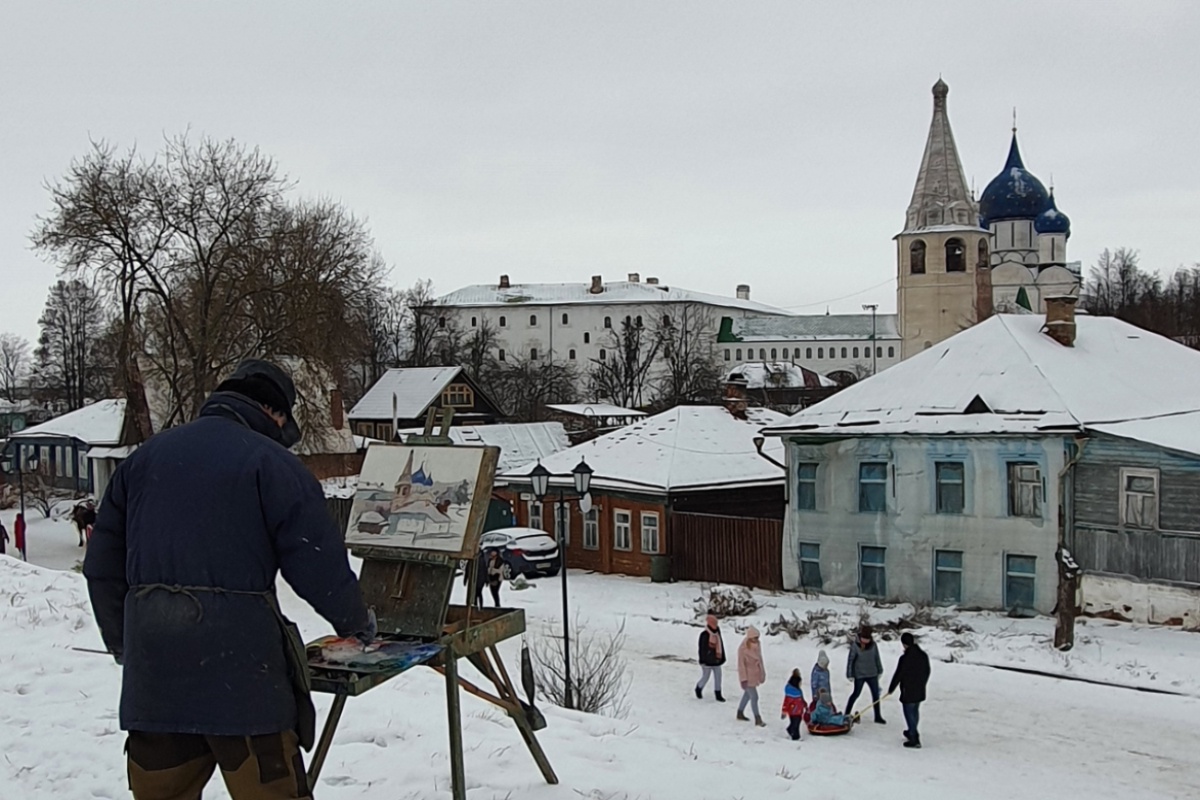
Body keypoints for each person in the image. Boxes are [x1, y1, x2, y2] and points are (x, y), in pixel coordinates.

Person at [83, 359, 375, 800]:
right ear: (275, 413)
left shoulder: (143, 459)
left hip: (156, 681)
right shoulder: (271, 463)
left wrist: (125, 644)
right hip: (244, 682)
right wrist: (356, 623)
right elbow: (316, 563)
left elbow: (101, 567)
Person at [888, 631, 932, 749]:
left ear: (904, 644)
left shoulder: (905, 658)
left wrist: (891, 688)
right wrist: (923, 683)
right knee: (915, 711)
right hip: (919, 688)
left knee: (908, 712)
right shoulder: (923, 656)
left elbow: (899, 674)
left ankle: (914, 737)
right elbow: (927, 671)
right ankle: (912, 730)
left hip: (908, 689)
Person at [845, 625, 886, 724]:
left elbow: (877, 658)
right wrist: (849, 674)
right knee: (856, 694)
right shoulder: (855, 646)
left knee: (876, 695)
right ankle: (846, 713)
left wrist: (880, 670)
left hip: (872, 674)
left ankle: (878, 716)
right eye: (864, 638)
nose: (865, 641)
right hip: (860, 675)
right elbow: (851, 660)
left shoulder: (874, 645)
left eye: (867, 639)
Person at [736, 626, 766, 726]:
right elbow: (741, 665)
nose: (757, 640)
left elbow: (760, 661)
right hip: (748, 677)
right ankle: (758, 718)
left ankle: (740, 712)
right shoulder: (743, 649)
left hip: (755, 674)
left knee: (747, 695)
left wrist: (762, 673)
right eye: (755, 638)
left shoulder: (757, 645)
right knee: (754, 697)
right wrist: (743, 679)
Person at [695, 614, 726, 702]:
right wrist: (703, 660)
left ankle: (718, 693)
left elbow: (720, 646)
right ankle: (699, 688)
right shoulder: (704, 635)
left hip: (716, 659)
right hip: (707, 661)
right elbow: (702, 649)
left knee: (718, 676)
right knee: (706, 676)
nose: (716, 624)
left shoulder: (717, 633)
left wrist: (721, 657)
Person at [780, 669, 806, 741]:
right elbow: (786, 703)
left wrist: (804, 704)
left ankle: (791, 730)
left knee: (797, 723)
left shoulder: (798, 691)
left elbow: (801, 699)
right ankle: (795, 736)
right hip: (793, 711)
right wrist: (784, 711)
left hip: (799, 711)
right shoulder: (790, 694)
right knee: (795, 724)